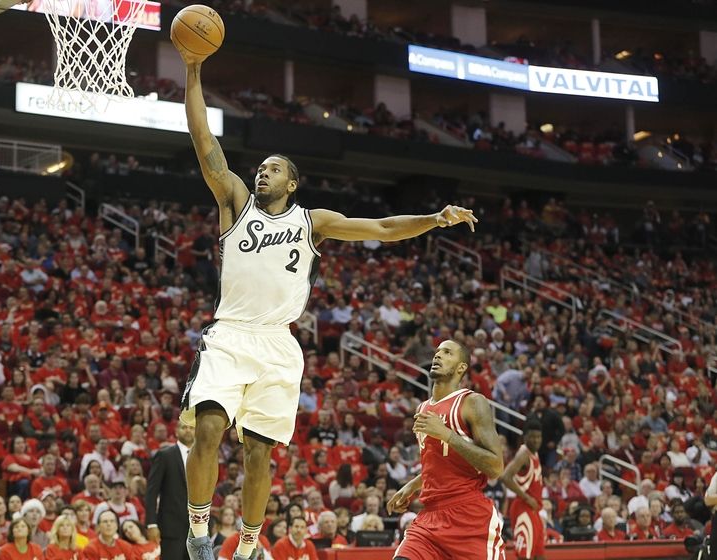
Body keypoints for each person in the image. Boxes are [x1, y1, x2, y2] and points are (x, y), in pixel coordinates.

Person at [174, 39, 478, 560]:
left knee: (258, 454)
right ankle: (199, 536)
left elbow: (381, 228)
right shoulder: (234, 201)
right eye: (261, 167)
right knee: (206, 429)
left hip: (278, 343)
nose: (262, 172)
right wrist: (194, 70)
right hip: (230, 333)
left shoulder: (312, 222)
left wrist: (433, 219)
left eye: (273, 169)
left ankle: (247, 547)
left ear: (292, 182)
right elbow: (203, 139)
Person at [387, 340, 505, 560]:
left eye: (447, 352)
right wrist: (412, 485)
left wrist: (447, 435)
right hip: (429, 517)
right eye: (437, 352)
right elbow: (442, 462)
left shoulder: (472, 403)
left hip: (469, 518)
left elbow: (495, 466)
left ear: (461, 367)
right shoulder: (423, 408)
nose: (438, 356)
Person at [145, 419, 193, 560]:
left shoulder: (203, 456)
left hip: (197, 530)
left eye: (191, 427)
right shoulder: (165, 455)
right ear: (176, 431)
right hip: (171, 528)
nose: (188, 430)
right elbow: (152, 492)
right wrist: (151, 523)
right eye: (184, 427)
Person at [500, 420, 545, 560]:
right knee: (524, 556)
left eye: (538, 437)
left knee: (539, 555)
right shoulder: (523, 455)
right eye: (532, 437)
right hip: (523, 509)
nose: (536, 440)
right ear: (524, 437)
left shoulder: (534, 453)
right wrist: (526, 497)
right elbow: (505, 477)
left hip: (534, 510)